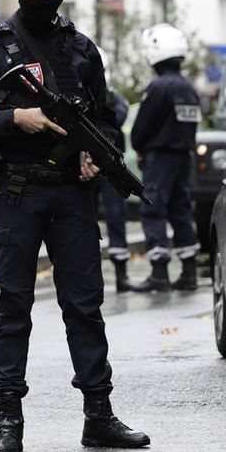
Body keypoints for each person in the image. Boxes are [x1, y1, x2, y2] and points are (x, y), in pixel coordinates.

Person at [0, 0, 150, 452]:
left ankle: (99, 416)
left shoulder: (80, 50)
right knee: (14, 306)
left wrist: (95, 156)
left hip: (72, 195)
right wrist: (17, 119)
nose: (39, 2)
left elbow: (106, 119)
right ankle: (8, 419)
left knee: (85, 306)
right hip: (17, 193)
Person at [130, 24, 202, 293]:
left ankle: (159, 274)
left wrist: (139, 145)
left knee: (153, 211)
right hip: (183, 158)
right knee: (181, 211)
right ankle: (189, 272)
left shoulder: (159, 88)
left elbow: (142, 128)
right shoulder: (188, 88)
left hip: (159, 160)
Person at [94, 47, 133, 293]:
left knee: (116, 217)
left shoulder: (112, 100)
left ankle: (121, 274)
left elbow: (119, 115)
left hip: (110, 168)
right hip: (85, 169)